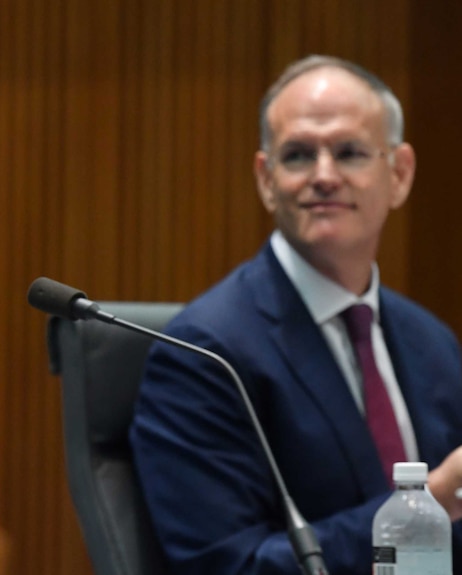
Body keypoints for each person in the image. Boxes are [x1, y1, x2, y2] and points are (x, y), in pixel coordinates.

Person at [130, 54, 462, 575]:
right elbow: (230, 567)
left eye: (350, 152)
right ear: (266, 179)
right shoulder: (204, 352)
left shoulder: (432, 342)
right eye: (299, 155)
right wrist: (430, 507)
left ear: (399, 174)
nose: (324, 175)